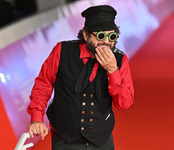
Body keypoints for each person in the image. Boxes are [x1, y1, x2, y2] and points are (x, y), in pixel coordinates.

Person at [27, 5, 134, 150]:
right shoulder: (62, 51)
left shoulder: (120, 60)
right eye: (101, 36)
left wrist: (112, 70)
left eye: (112, 36)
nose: (107, 42)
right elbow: (43, 85)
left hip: (101, 142)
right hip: (65, 141)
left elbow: (124, 103)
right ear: (85, 35)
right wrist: (36, 119)